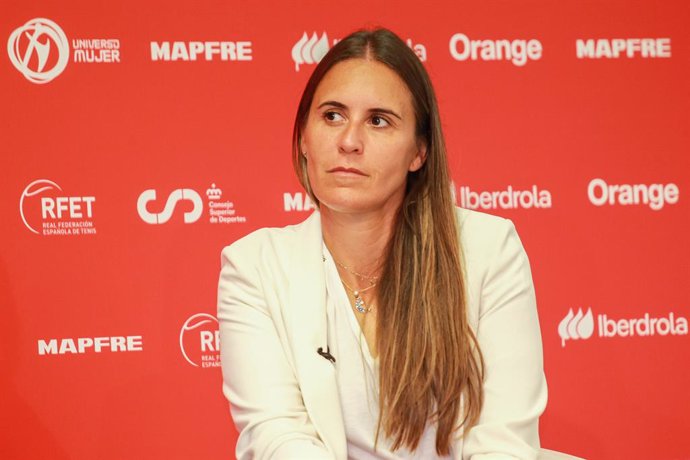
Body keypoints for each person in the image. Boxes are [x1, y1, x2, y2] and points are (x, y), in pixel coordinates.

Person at [217, 27, 547, 460]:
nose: (349, 141)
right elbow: (277, 438)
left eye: (378, 121)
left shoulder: (489, 249)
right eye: (332, 115)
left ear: (419, 153)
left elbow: (504, 444)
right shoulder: (253, 266)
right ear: (302, 138)